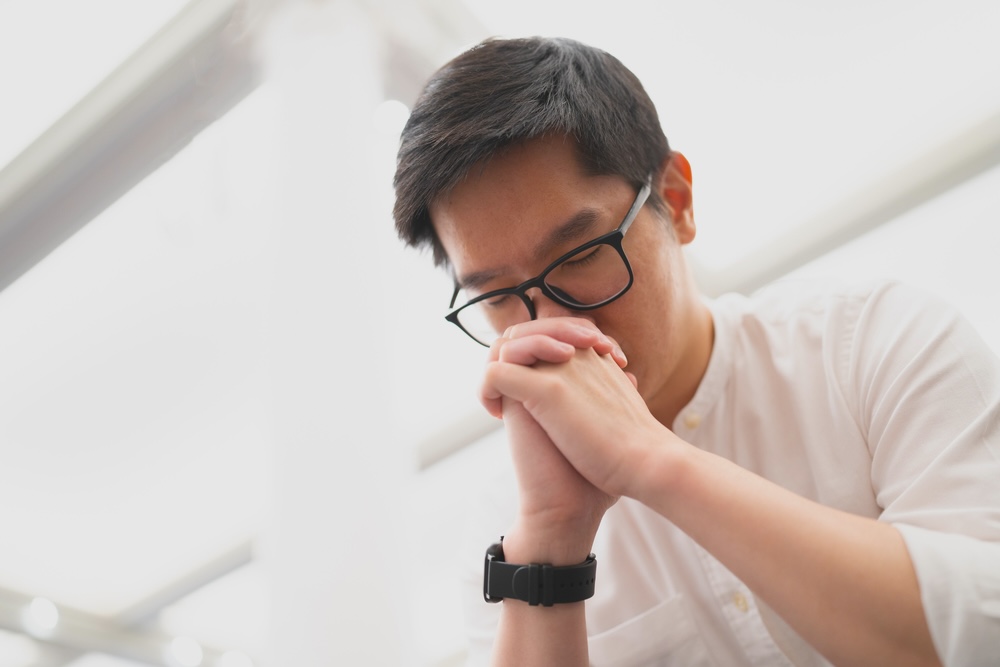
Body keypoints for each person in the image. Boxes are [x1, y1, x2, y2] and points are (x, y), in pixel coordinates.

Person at [392, 36, 1000, 667]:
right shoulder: (506, 522)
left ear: (675, 201)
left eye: (580, 256)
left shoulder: (875, 343)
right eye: (497, 296)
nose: (551, 325)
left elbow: (982, 633)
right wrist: (550, 539)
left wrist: (653, 460)